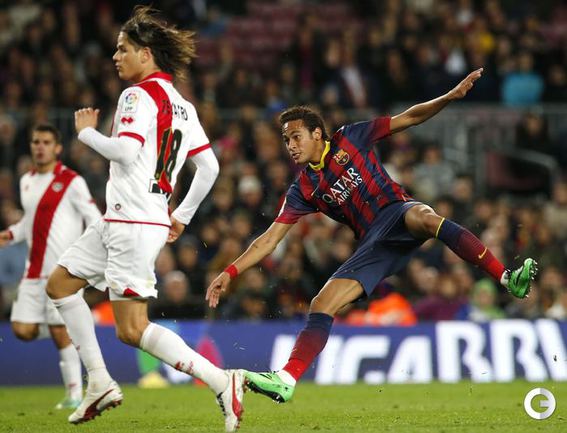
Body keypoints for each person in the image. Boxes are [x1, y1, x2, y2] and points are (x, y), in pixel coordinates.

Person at [206, 68, 537, 404]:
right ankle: (286, 379)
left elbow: (409, 117)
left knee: (425, 218)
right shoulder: (303, 188)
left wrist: (449, 97)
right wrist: (230, 271)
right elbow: (269, 239)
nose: (290, 146)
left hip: (398, 211)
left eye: (296, 137)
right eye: (286, 140)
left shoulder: (351, 137)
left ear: (317, 133)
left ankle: (507, 278)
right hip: (374, 243)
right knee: (321, 303)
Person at [45, 7, 244, 432]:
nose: (115, 56)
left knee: (132, 329)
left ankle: (221, 381)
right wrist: (182, 216)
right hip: (130, 219)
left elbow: (125, 151)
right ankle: (99, 382)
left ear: (146, 54)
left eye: (123, 49)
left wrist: (86, 133)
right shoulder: (183, 106)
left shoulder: (136, 96)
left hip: (132, 222)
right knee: (60, 285)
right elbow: (209, 167)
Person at [0, 123, 101, 409]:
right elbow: (30, 221)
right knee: (22, 330)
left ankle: (74, 394)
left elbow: (94, 218)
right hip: (32, 272)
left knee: (58, 331)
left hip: (63, 271)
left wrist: (89, 256)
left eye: (46, 142)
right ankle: (72, 327)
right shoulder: (26, 181)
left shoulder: (71, 181)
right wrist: (11, 234)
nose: (40, 147)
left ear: (57, 148)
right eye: (36, 142)